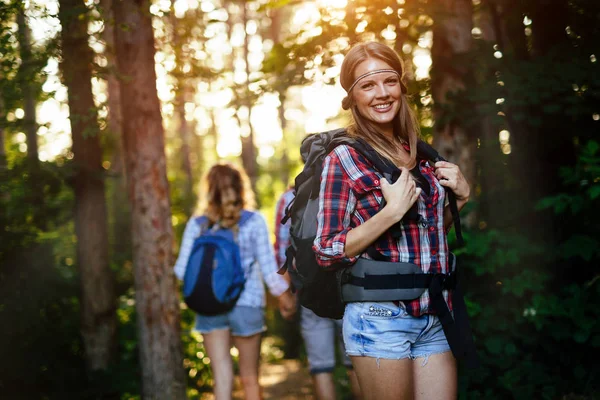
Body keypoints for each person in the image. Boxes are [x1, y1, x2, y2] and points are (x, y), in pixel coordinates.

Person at [313, 42, 471, 400]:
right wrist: (390, 213)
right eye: (367, 85)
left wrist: (460, 199)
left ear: (401, 86)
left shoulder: (417, 151)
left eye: (389, 81)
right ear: (351, 97)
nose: (381, 93)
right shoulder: (344, 158)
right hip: (379, 316)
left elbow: (426, 240)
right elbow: (326, 250)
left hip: (435, 311)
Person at [174, 163, 296, 400]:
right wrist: (285, 297)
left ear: (209, 190)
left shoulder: (197, 225)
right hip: (247, 303)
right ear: (241, 188)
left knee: (221, 376)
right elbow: (270, 270)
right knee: (250, 378)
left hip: (209, 304)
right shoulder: (254, 221)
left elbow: (180, 271)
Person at [275, 187, 362, 400]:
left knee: (320, 366)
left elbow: (282, 249)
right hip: (349, 287)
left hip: (310, 290)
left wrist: (285, 294)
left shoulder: (290, 196)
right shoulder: (350, 183)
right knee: (357, 361)